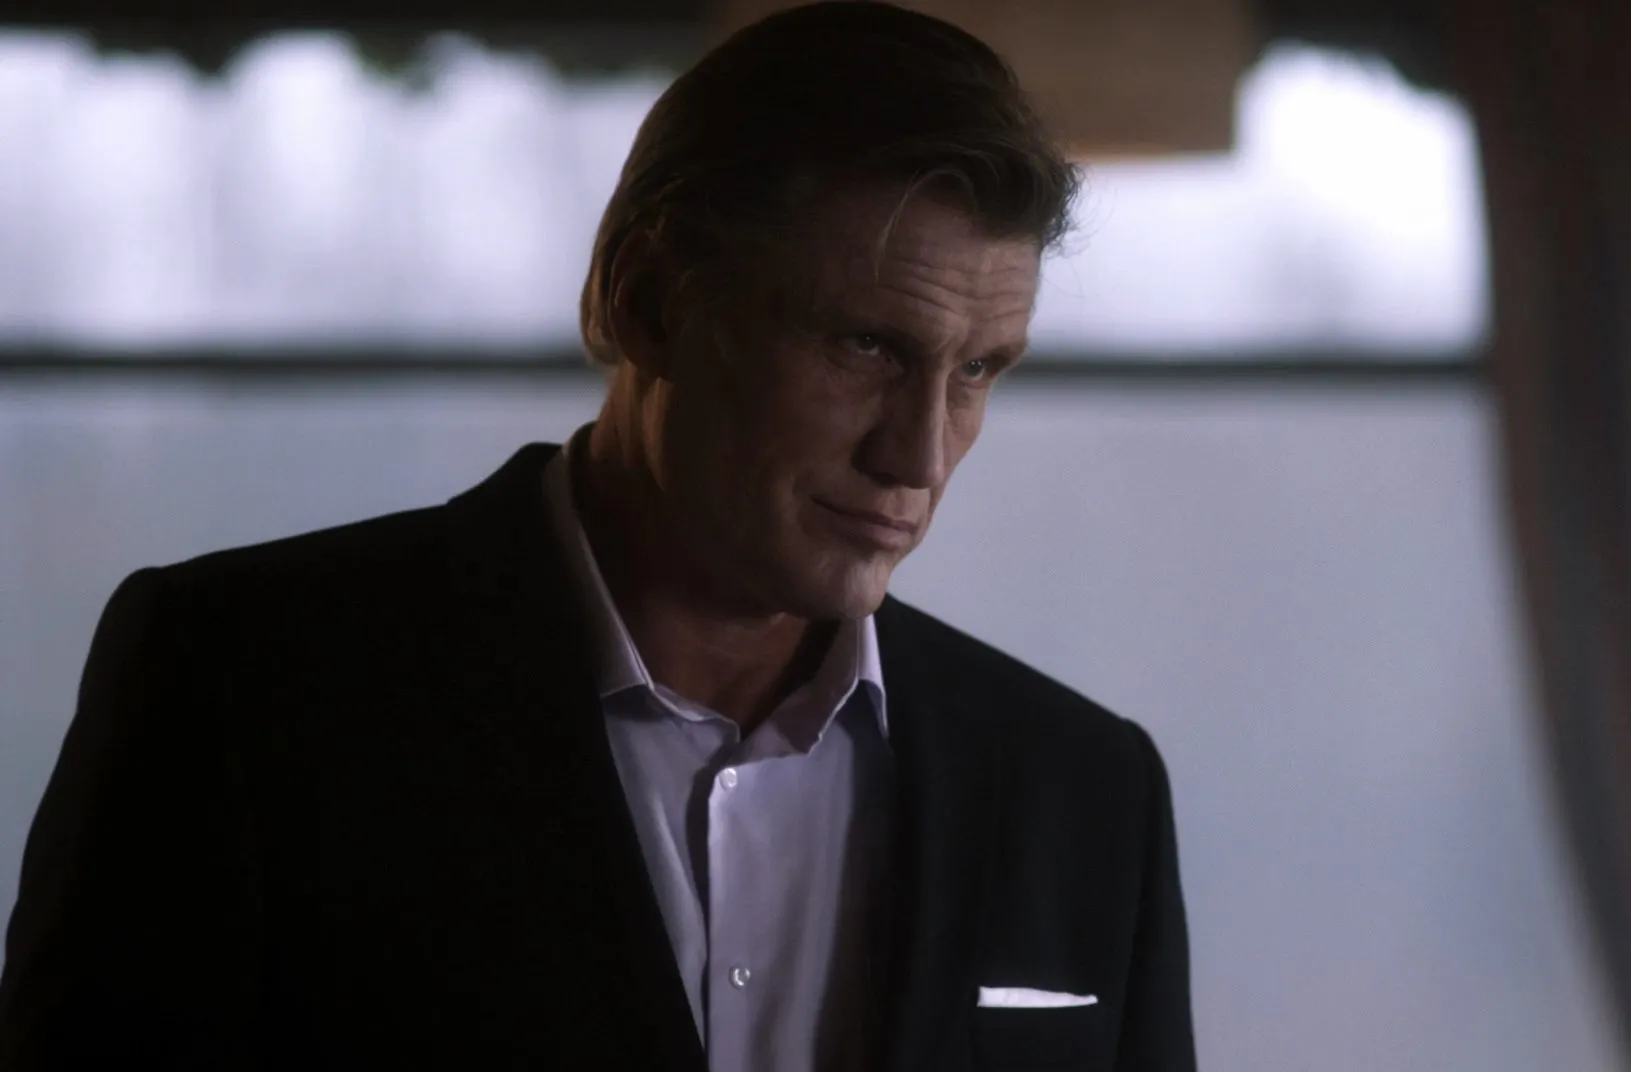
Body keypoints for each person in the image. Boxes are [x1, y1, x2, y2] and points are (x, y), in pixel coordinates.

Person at [0, 3, 1194, 1068]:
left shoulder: (1083, 790)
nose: (920, 456)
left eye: (978, 370)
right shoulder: (250, 687)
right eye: (866, 346)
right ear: (648, 301)